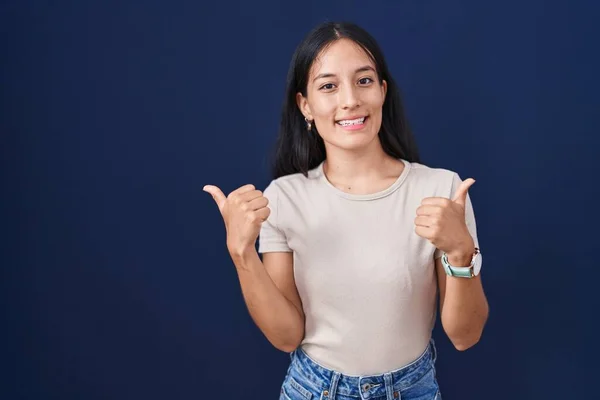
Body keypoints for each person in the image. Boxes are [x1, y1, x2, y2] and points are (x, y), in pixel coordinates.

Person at [204, 21, 489, 400]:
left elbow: (465, 335)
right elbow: (287, 337)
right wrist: (241, 254)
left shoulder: (441, 190)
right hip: (313, 390)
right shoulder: (284, 198)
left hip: (412, 390)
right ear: (305, 104)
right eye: (328, 86)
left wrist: (461, 252)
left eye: (364, 81)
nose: (350, 99)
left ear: (383, 91)